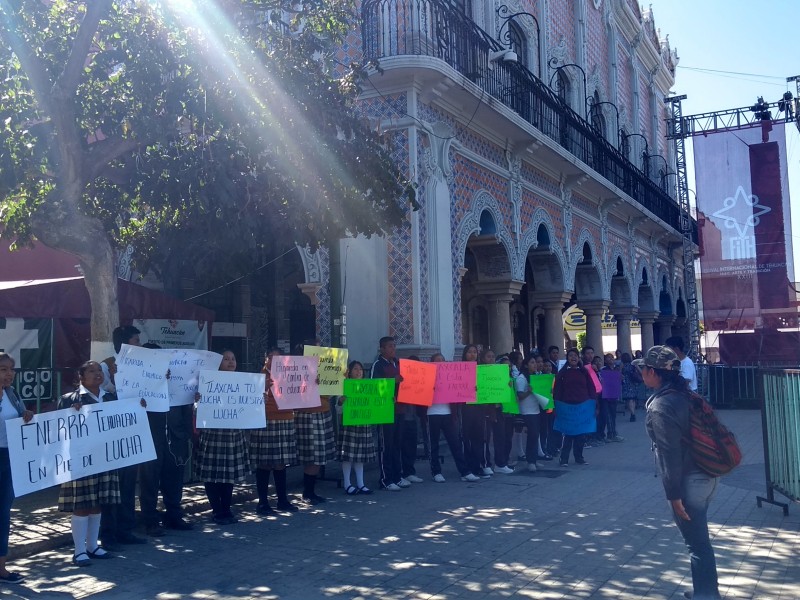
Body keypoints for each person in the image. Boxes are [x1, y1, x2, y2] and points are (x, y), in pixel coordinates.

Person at [637, 345, 722, 600]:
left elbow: (669, 454)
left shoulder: (662, 404)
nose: (641, 373)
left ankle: (707, 595)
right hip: (707, 474)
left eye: (643, 369)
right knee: (699, 541)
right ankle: (704, 590)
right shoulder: (686, 394)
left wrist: (673, 496)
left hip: (689, 480)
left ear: (653, 372)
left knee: (696, 544)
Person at [58, 361, 126, 566]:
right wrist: (71, 411)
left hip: (104, 457)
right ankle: (79, 550)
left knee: (97, 504)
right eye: (91, 371)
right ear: (81, 377)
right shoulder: (69, 399)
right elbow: (59, 429)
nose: (97, 374)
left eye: (99, 371)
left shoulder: (112, 398)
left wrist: (137, 409)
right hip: (81, 459)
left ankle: (92, 546)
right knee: (82, 504)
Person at [139, 342, 193, 537]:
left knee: (174, 478)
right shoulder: (138, 382)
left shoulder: (177, 378)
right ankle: (150, 521)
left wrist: (187, 433)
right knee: (150, 480)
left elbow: (186, 405)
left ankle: (174, 515)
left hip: (175, 436)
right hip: (151, 437)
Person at [100, 326, 148, 548]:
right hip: (111, 434)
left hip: (133, 431)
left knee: (128, 483)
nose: (139, 345)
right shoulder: (105, 365)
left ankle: (126, 529)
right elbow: (102, 393)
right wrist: (117, 378)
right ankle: (108, 533)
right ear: (125, 343)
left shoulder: (145, 365)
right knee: (111, 486)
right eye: (136, 341)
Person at [194, 350, 250, 524]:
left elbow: (249, 409)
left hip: (234, 435)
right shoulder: (208, 382)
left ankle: (226, 509)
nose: (231, 362)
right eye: (226, 359)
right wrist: (198, 401)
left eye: (233, 358)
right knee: (212, 474)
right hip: (213, 434)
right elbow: (197, 410)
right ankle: (217, 510)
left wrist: (257, 400)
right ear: (218, 363)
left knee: (228, 474)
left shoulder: (244, 383)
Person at [250, 350, 298, 514]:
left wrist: (312, 383)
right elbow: (250, 398)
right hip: (266, 420)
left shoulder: (291, 374)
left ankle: (282, 500)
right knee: (264, 462)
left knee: (280, 463)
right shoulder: (260, 377)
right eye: (270, 357)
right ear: (265, 359)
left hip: (285, 419)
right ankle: (263, 502)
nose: (273, 359)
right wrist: (261, 388)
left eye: (277, 357)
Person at [0, 353, 33, 582]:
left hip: (9, 459)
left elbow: (21, 417)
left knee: (2, 514)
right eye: (3, 369)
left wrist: (26, 415)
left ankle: (1, 569)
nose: (9, 373)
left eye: (11, 369)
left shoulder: (11, 394)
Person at [425, 353, 479, 483]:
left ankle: (464, 471)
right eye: (437, 361)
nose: (441, 363)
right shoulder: (427, 377)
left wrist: (470, 390)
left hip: (448, 413)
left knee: (455, 443)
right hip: (432, 414)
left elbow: (459, 391)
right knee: (434, 444)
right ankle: (436, 472)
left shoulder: (451, 376)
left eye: (443, 360)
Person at [371, 336, 406, 491]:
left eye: (394, 346)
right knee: (387, 445)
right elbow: (373, 387)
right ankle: (386, 479)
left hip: (399, 409)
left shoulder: (398, 364)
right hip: (385, 412)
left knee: (398, 444)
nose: (393, 349)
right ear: (382, 349)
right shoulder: (377, 365)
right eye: (390, 346)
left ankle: (398, 477)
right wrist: (393, 381)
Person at [338, 361, 377, 494]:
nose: (359, 371)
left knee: (360, 455)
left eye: (360, 369)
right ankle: (347, 483)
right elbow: (338, 408)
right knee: (348, 455)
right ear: (349, 371)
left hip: (364, 423)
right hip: (349, 424)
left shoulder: (367, 386)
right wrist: (340, 401)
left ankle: (361, 483)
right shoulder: (344, 385)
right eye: (355, 369)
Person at [552, 349, 596, 467]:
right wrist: (557, 406)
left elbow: (591, 388)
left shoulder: (584, 372)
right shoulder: (562, 373)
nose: (573, 358)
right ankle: (564, 458)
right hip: (567, 407)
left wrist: (594, 404)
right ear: (567, 358)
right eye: (571, 355)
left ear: (579, 358)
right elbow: (557, 391)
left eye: (575, 355)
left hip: (582, 407)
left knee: (581, 435)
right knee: (568, 434)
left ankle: (579, 457)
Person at [514, 356, 548, 472]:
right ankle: (530, 462)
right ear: (526, 365)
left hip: (536, 410)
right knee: (532, 435)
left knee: (535, 435)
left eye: (536, 363)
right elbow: (520, 396)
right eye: (532, 362)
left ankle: (533, 459)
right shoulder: (521, 379)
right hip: (526, 411)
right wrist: (529, 391)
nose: (535, 365)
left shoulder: (537, 376)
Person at [600, 353, 624, 442]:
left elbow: (620, 381)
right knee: (608, 415)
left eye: (612, 358)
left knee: (613, 415)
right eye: (608, 358)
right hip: (606, 395)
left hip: (614, 394)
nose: (611, 359)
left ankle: (613, 432)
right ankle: (611, 434)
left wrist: (621, 377)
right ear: (605, 361)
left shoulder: (617, 369)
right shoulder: (604, 370)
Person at [620, 352, 641, 422]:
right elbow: (640, 371)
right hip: (633, 382)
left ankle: (632, 413)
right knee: (632, 399)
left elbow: (618, 373)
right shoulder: (633, 364)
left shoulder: (622, 365)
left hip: (626, 383)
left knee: (629, 399)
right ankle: (633, 412)